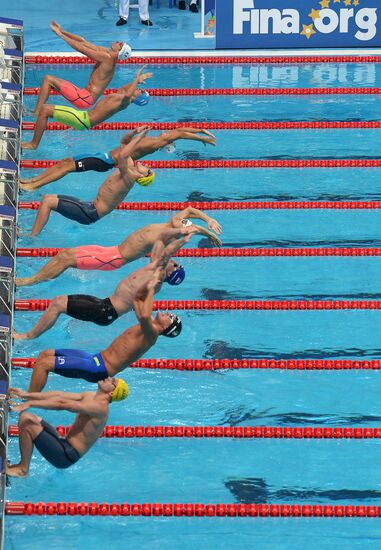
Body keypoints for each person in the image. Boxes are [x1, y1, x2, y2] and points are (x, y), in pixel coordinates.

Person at [14, 231, 194, 340]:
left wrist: (184, 239)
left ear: (171, 273)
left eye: (176, 265)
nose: (175, 262)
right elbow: (162, 246)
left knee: (58, 304)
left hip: (106, 311)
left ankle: (26, 337)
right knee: (59, 302)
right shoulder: (155, 270)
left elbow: (167, 252)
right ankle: (29, 334)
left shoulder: (156, 280)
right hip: (105, 305)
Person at [26, 272, 183, 393]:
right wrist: (148, 285)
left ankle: (26, 402)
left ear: (166, 328)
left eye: (171, 318)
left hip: (98, 368)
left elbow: (143, 315)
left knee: (45, 364)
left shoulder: (152, 334)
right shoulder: (149, 328)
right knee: (45, 355)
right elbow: (137, 300)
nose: (169, 313)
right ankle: (27, 396)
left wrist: (150, 290)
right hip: (95, 359)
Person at [15, 207, 222, 287]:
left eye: (176, 267)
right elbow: (189, 210)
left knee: (65, 258)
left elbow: (189, 229)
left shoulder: (171, 244)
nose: (177, 264)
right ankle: (33, 281)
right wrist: (209, 218)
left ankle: (29, 282)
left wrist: (207, 232)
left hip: (113, 258)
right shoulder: (173, 223)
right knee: (64, 255)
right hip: (110, 251)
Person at [26, 127, 156, 236]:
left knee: (47, 201)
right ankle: (33, 232)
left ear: (143, 176)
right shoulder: (130, 167)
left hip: (90, 213)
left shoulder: (129, 179)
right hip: (88, 207)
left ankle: (32, 237)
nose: (147, 165)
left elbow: (122, 156)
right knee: (48, 199)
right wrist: (135, 132)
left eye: (148, 169)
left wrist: (140, 138)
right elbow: (123, 144)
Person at [20, 127, 217, 191]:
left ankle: (33, 186)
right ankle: (32, 180)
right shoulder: (149, 141)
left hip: (103, 162)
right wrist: (134, 132)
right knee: (63, 163)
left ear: (167, 144)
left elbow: (180, 133)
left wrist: (200, 137)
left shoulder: (155, 143)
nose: (168, 132)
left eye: (169, 137)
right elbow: (123, 142)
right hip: (102, 156)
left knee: (66, 168)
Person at [6, 377, 129, 477]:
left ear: (112, 392)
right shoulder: (90, 396)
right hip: (63, 442)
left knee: (26, 422)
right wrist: (26, 396)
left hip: (66, 456)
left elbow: (63, 404)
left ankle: (23, 469)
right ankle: (22, 467)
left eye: (112, 382)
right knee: (28, 417)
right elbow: (61, 395)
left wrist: (30, 403)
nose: (108, 378)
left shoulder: (100, 408)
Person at [21, 66, 152, 150]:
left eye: (141, 91)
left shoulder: (125, 102)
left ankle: (33, 144)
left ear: (139, 98)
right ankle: (34, 119)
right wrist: (138, 79)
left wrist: (136, 79)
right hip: (82, 118)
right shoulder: (122, 96)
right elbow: (125, 89)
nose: (138, 88)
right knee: (46, 109)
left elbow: (128, 93)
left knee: (45, 110)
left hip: (82, 119)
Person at [31, 22, 132, 116]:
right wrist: (62, 31)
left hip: (84, 99)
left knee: (48, 79)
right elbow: (83, 41)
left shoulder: (107, 58)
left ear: (119, 52)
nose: (118, 41)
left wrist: (60, 35)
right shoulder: (107, 53)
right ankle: (38, 112)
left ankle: (36, 114)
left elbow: (81, 48)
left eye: (120, 44)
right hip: (84, 96)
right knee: (50, 82)